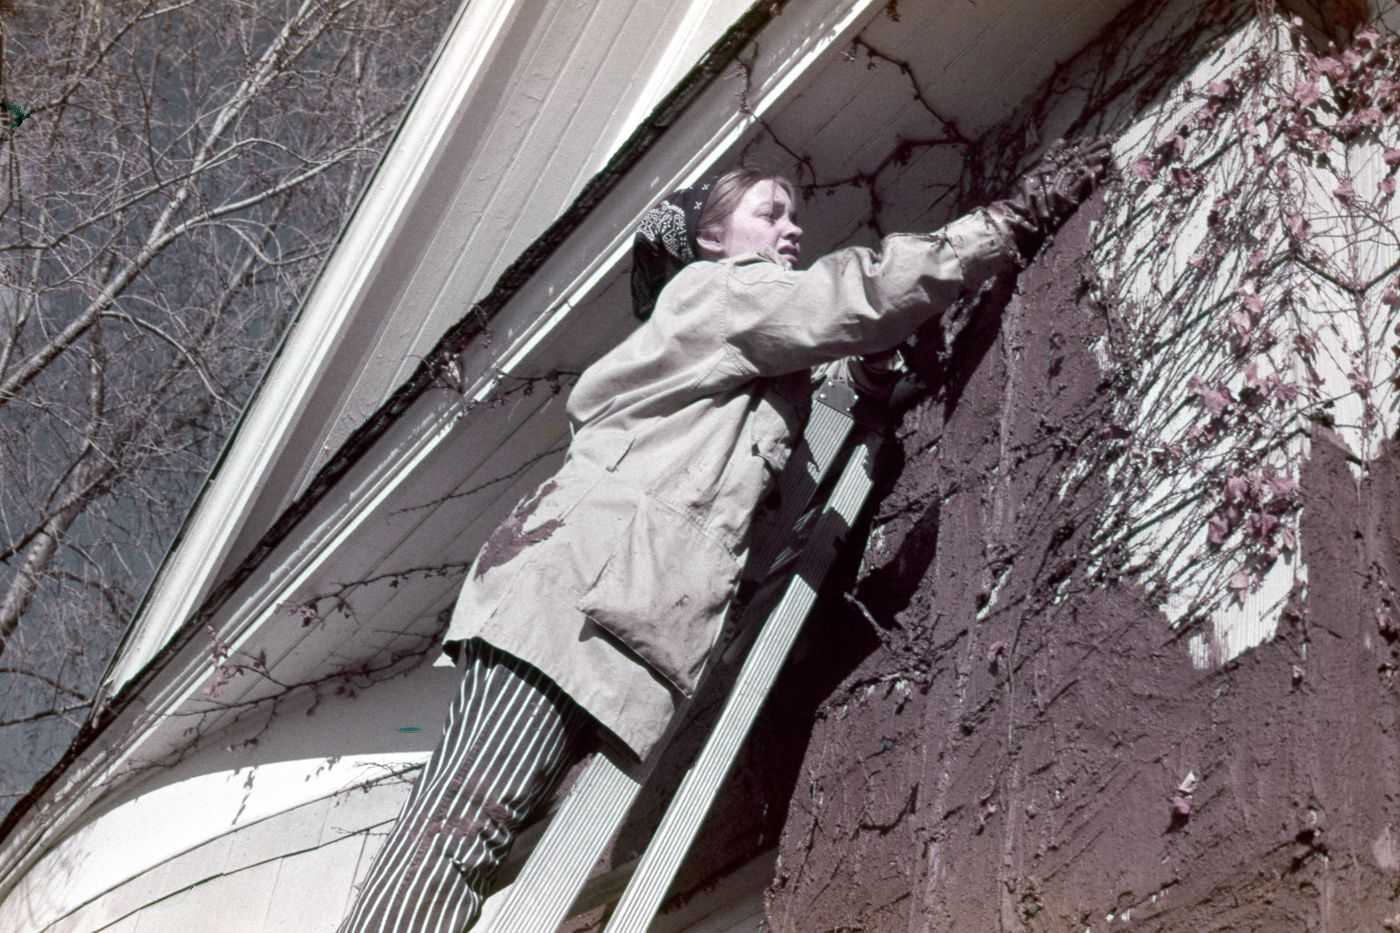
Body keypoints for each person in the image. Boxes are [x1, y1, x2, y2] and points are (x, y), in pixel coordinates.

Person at [340, 139, 1112, 932]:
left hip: (617, 623)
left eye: (794, 219)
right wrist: (1003, 225)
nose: (790, 231)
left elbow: (777, 500)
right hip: (565, 604)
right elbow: (845, 299)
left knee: (491, 846)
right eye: (769, 213)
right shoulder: (714, 293)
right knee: (461, 827)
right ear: (709, 240)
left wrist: (878, 377)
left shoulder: (733, 379)